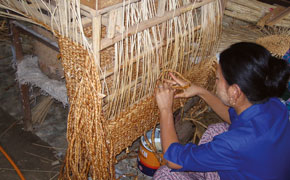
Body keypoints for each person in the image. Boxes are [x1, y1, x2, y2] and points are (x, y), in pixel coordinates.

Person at [153, 42, 290, 180]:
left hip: (243, 157)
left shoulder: (234, 144)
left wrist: (165, 109)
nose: (215, 82)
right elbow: (233, 118)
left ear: (235, 92)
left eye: (217, 79)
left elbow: (173, 160)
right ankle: (198, 166)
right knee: (216, 131)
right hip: (256, 167)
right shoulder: (275, 105)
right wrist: (200, 91)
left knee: (164, 174)